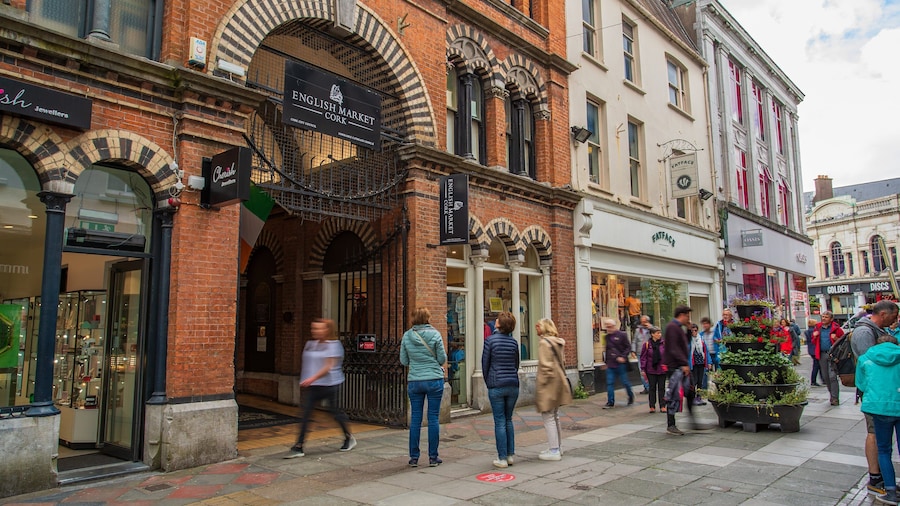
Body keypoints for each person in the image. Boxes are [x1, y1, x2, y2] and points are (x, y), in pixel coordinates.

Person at [850, 300, 900, 497]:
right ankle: (875, 476)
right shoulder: (864, 333)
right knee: (877, 439)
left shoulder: (876, 331)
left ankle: (887, 484)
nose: (896, 320)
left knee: (883, 445)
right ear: (883, 314)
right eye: (894, 315)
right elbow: (867, 371)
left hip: (878, 400)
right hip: (879, 399)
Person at [285, 318, 355, 458]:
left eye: (319, 328)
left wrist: (312, 378)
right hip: (314, 386)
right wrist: (306, 378)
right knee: (305, 414)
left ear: (327, 330)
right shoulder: (311, 344)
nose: (315, 331)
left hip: (330, 385)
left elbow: (329, 366)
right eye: (313, 328)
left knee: (335, 413)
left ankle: (349, 437)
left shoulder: (334, 345)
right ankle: (299, 446)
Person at [400, 307, 448, 468]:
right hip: (434, 379)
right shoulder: (435, 334)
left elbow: (404, 361)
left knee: (415, 419)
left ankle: (414, 457)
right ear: (428, 317)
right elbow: (442, 358)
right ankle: (433, 457)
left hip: (415, 380)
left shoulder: (407, 336)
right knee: (433, 418)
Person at [663, 305, 712, 435]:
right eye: (688, 316)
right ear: (682, 315)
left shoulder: (678, 328)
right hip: (675, 367)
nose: (688, 319)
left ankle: (693, 422)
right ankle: (671, 425)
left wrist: (688, 330)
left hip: (682, 367)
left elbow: (684, 342)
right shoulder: (672, 328)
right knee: (673, 396)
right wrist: (684, 364)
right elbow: (674, 348)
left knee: (690, 393)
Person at [482, 311, 520, 469]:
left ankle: (502, 458)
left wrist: (488, 381)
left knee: (499, 421)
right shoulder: (514, 343)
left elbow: (485, 364)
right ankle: (510, 455)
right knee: (508, 419)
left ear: (499, 324)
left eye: (497, 319)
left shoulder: (490, 341)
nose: (495, 320)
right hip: (512, 384)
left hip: (496, 384)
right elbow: (516, 364)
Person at [535, 318, 573, 461]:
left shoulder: (545, 343)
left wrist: (541, 387)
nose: (536, 328)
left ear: (544, 327)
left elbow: (545, 366)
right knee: (555, 416)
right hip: (559, 381)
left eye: (538, 326)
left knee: (548, 416)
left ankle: (554, 450)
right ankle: (558, 446)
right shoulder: (557, 342)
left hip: (549, 384)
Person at [810, 311, 844, 406]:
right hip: (822, 354)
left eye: (826, 317)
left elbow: (843, 342)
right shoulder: (818, 327)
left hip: (833, 355)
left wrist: (836, 338)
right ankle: (831, 394)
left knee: (832, 376)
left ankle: (835, 398)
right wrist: (814, 336)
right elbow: (813, 341)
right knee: (825, 377)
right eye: (823, 316)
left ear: (831, 319)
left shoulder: (836, 329)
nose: (824, 318)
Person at [602, 318, 634, 409]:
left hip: (620, 364)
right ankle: (610, 402)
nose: (608, 329)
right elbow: (607, 350)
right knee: (610, 383)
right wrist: (605, 362)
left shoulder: (622, 335)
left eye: (610, 326)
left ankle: (630, 396)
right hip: (610, 364)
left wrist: (623, 357)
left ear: (614, 326)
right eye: (607, 327)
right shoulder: (606, 337)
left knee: (625, 382)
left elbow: (628, 347)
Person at [639, 326, 666, 413]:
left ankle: (662, 405)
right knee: (652, 388)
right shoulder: (647, 345)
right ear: (652, 334)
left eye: (660, 333)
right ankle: (652, 406)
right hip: (651, 369)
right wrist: (643, 368)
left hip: (662, 369)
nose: (659, 335)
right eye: (657, 333)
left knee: (662, 388)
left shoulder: (664, 344)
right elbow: (643, 358)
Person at [688, 323, 709, 406]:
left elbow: (705, 351)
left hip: (701, 362)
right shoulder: (688, 340)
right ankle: (692, 398)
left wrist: (709, 362)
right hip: (693, 364)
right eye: (692, 331)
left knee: (700, 380)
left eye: (695, 330)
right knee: (694, 381)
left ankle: (699, 397)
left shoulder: (701, 339)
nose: (694, 332)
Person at [634, 315, 653, 393]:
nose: (643, 323)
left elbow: (657, 337)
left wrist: (650, 328)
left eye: (645, 321)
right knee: (642, 371)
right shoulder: (638, 330)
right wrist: (633, 350)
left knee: (650, 371)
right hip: (640, 353)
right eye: (642, 321)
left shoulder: (651, 330)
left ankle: (651, 386)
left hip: (649, 353)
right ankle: (647, 387)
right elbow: (634, 341)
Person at [698, 317, 717, 388]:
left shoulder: (714, 333)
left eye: (706, 324)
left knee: (718, 371)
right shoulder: (701, 335)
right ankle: (704, 389)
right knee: (705, 372)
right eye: (703, 324)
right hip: (706, 355)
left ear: (709, 324)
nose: (705, 325)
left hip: (715, 354)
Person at [805, 318, 823, 386]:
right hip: (815, 349)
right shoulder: (815, 331)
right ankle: (814, 380)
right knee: (817, 365)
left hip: (810, 350)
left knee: (817, 365)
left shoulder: (807, 331)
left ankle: (818, 379)